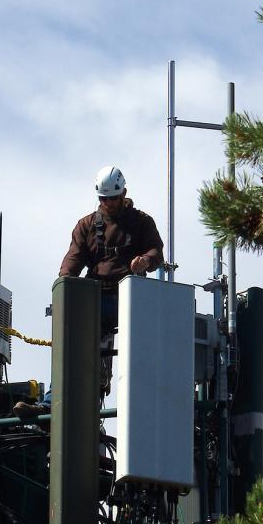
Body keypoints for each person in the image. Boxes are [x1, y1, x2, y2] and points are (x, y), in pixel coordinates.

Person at [59, 165, 164, 395]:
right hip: (96, 295)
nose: (109, 203)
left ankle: (142, 394)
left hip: (129, 298)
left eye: (113, 198)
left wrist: (145, 260)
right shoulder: (86, 225)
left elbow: (157, 252)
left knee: (139, 352)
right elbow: (73, 259)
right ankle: (54, 399)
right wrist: (65, 285)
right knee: (71, 337)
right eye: (104, 199)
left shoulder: (141, 222)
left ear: (124, 193)